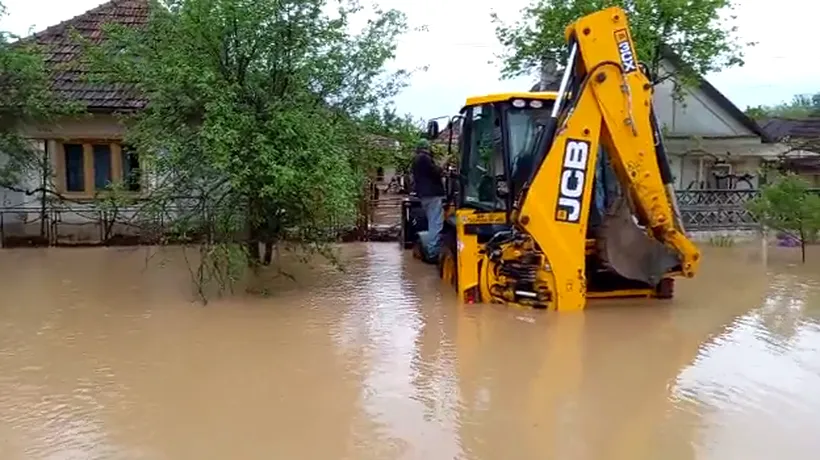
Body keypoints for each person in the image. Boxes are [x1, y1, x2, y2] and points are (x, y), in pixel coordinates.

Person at [411, 139, 446, 260]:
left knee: (432, 222)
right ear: (426, 147)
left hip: (424, 195)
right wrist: (443, 163)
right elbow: (436, 172)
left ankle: (432, 249)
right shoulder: (424, 158)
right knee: (435, 223)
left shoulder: (416, 160)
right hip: (433, 195)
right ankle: (433, 252)